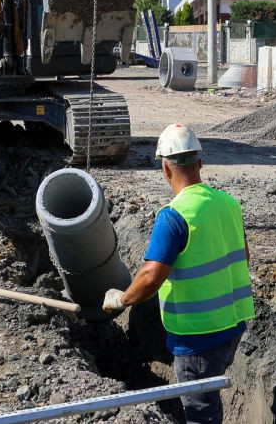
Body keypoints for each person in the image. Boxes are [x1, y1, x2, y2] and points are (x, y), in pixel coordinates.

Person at [102, 124, 253, 424]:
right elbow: (242, 256)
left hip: (197, 339)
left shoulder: (174, 216)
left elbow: (151, 276)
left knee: (199, 412)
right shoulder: (229, 204)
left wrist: (122, 300)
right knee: (210, 396)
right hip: (232, 326)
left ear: (165, 169)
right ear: (200, 163)